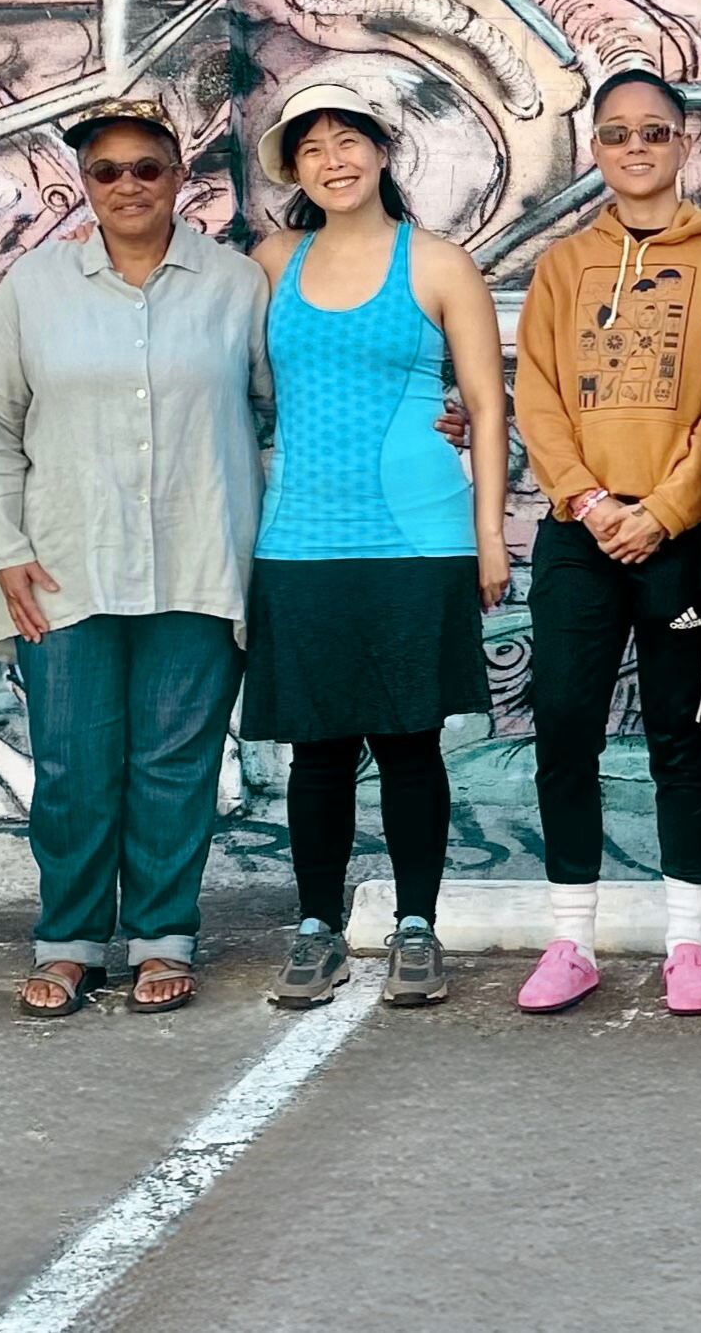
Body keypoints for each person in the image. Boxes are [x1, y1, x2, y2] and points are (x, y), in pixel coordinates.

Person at [0, 101, 267, 1018]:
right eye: (108, 171)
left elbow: (284, 405)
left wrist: (436, 413)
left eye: (147, 168)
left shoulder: (236, 285)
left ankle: (164, 936)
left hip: (199, 553)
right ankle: (70, 940)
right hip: (65, 563)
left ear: (182, 179)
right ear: (85, 185)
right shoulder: (35, 287)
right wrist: (4, 552)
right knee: (71, 764)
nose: (128, 185)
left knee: (176, 761)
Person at [243, 84, 509, 1014]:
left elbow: (484, 406)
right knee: (317, 751)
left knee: (407, 743)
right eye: (310, 147)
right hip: (301, 537)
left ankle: (416, 928)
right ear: (296, 169)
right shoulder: (272, 260)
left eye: (347, 138)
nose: (332, 158)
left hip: (417, 537)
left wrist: (487, 542)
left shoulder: (437, 263)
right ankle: (315, 927)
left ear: (381, 151)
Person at [513, 69, 701, 1017]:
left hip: (679, 533)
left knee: (680, 738)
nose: (636, 148)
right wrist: (583, 497)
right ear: (597, 148)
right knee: (564, 729)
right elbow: (536, 392)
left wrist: (661, 510)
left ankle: (686, 945)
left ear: (685, 143)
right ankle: (571, 938)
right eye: (617, 134)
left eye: (654, 132)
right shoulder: (565, 265)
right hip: (580, 529)